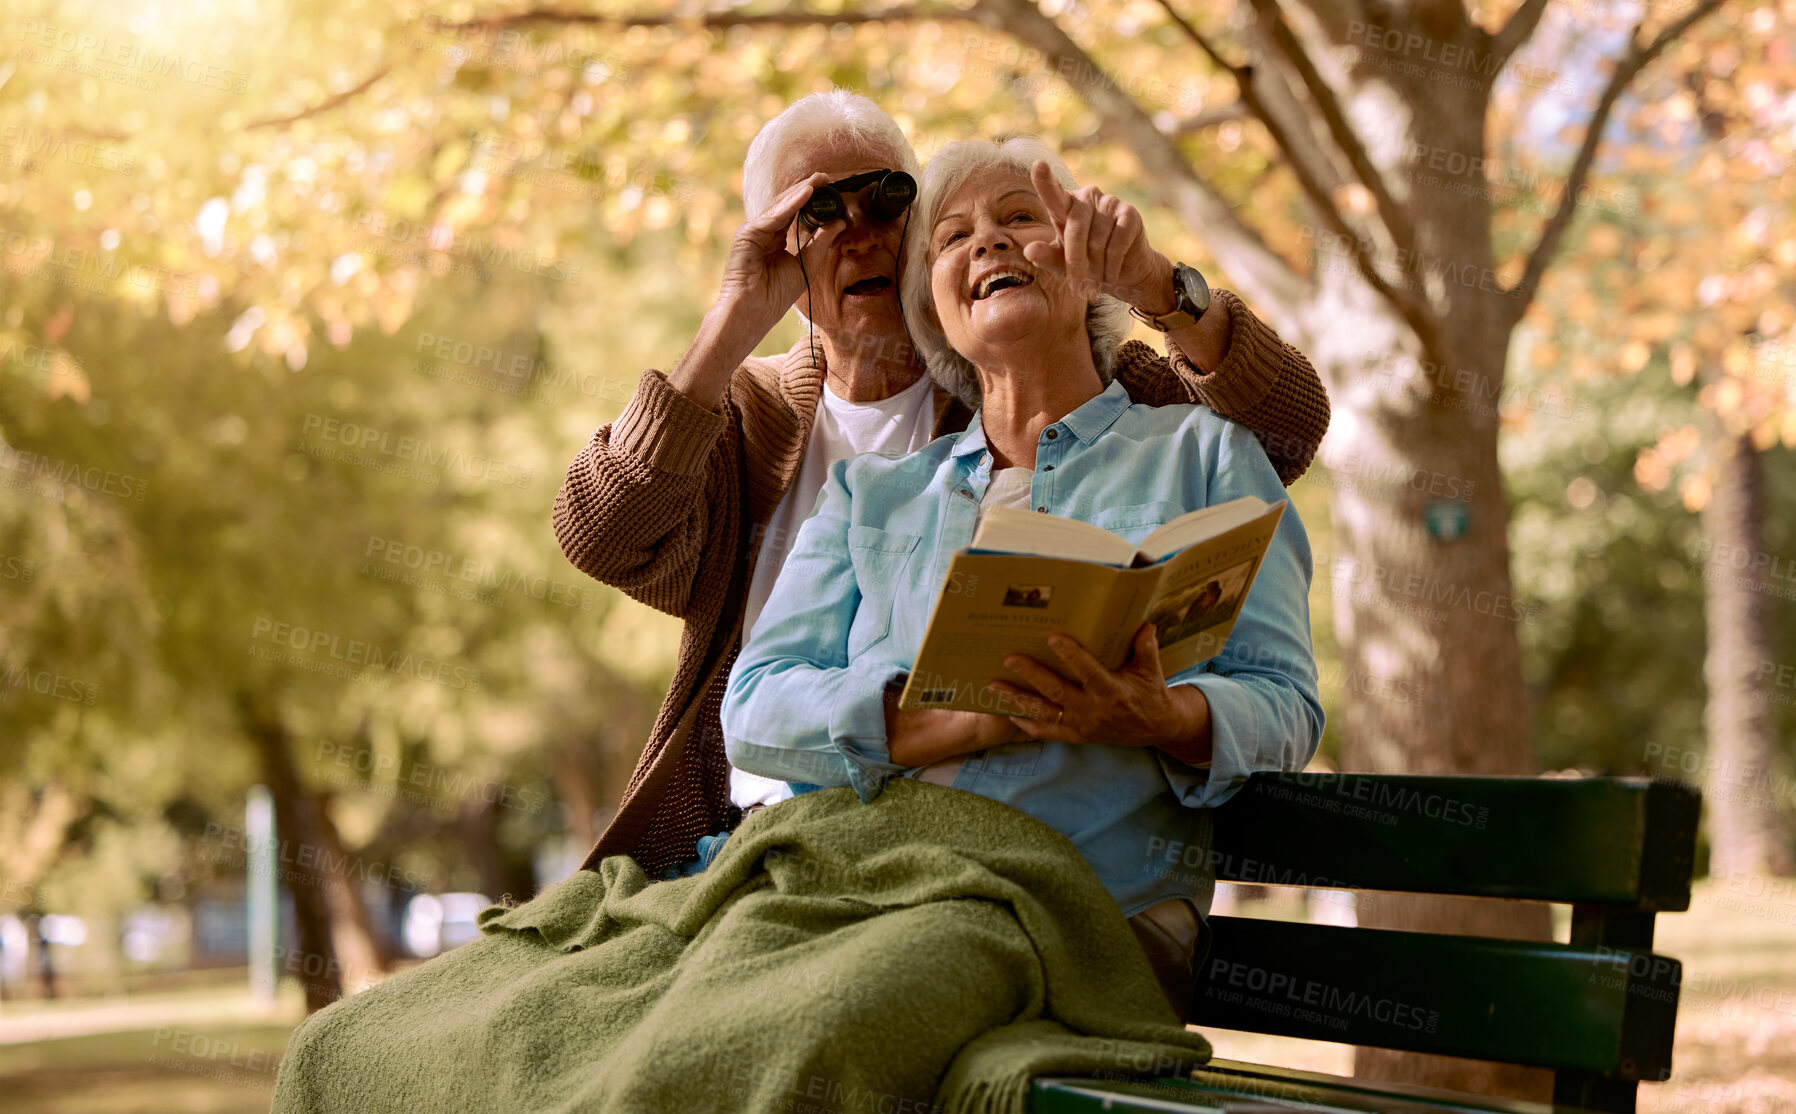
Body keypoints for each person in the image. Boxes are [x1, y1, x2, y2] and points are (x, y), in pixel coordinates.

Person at [554, 90, 1331, 879]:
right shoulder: (765, 428)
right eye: (819, 211)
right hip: (755, 830)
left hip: (997, 865)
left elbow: (1284, 432)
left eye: (889, 198)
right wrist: (732, 321)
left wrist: (1158, 287)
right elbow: (603, 536)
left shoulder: (1080, 383)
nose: (860, 232)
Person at [721, 137, 1324, 1018]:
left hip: (1090, 912)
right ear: (933, 306)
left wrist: (1166, 718)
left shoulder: (1204, 455)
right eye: (954, 237)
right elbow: (757, 704)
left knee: (832, 1007)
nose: (989, 245)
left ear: (1087, 272)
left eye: (1019, 220)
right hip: (866, 885)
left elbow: (1287, 705)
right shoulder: (871, 496)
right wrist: (940, 718)